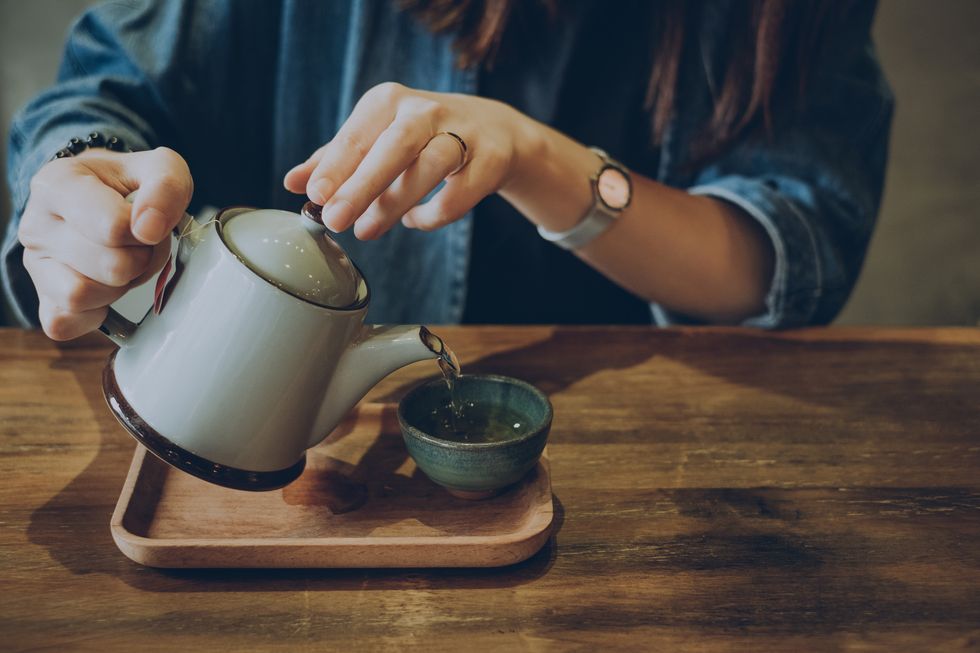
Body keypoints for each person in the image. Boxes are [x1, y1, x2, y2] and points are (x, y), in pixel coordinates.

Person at [3, 0, 892, 338]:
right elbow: (99, 97)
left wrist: (540, 158)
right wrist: (76, 180)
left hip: (618, 464)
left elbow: (780, 255)